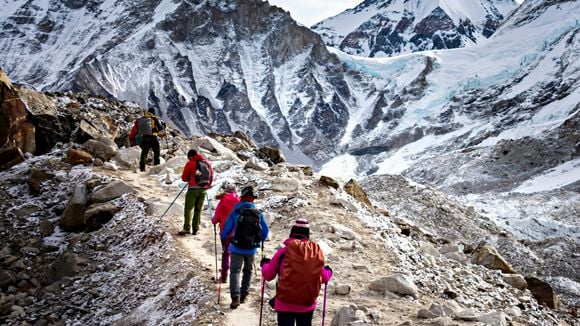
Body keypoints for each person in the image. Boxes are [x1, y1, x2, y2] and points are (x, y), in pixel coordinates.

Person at [261, 219, 332, 326]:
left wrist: (265, 264)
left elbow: (268, 275)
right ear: (307, 235)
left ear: (292, 232)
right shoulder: (314, 254)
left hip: (284, 304)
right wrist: (328, 271)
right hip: (307, 305)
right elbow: (324, 278)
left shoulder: (283, 252)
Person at [220, 186, 269, 309]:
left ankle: (235, 297)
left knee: (235, 271)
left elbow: (227, 227)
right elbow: (265, 231)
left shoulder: (236, 211)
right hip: (251, 248)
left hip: (236, 247)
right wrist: (259, 240)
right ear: (252, 200)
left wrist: (224, 237)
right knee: (248, 271)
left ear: (241, 199)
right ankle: (244, 294)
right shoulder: (258, 213)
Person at [211, 180, 240, 283]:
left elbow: (215, 220)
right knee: (235, 253)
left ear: (226, 191)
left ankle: (224, 276)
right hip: (238, 232)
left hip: (225, 232)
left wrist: (214, 220)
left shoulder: (222, 201)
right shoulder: (240, 201)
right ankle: (235, 277)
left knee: (226, 253)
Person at [179, 149, 213, 235]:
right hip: (203, 189)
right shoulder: (206, 163)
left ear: (190, 156)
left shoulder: (190, 163)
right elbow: (211, 176)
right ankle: (195, 229)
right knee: (198, 209)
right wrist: (207, 186)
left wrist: (190, 179)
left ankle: (186, 228)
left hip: (193, 189)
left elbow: (184, 178)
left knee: (188, 209)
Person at [129, 107, 165, 172]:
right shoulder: (154, 118)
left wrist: (132, 138)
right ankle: (156, 167)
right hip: (153, 138)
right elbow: (160, 128)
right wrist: (162, 126)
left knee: (144, 154)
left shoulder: (142, 119)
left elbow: (136, 128)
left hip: (144, 138)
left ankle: (142, 168)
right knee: (156, 152)